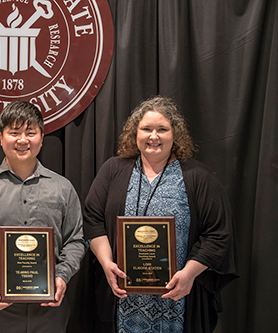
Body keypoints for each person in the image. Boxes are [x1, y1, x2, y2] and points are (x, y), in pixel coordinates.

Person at [83, 96, 238, 332]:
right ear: (135, 133)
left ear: (175, 134)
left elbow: (218, 234)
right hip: (122, 299)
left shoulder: (199, 177)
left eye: (162, 129)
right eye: (146, 129)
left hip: (179, 297)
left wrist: (189, 274)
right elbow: (92, 219)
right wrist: (106, 263)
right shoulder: (113, 170)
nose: (154, 136)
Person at [0, 101, 86, 333]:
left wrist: (62, 276)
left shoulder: (63, 188)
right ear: (0, 138)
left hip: (50, 310)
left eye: (30, 132)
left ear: (42, 137)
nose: (22, 140)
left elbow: (75, 240)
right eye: (14, 132)